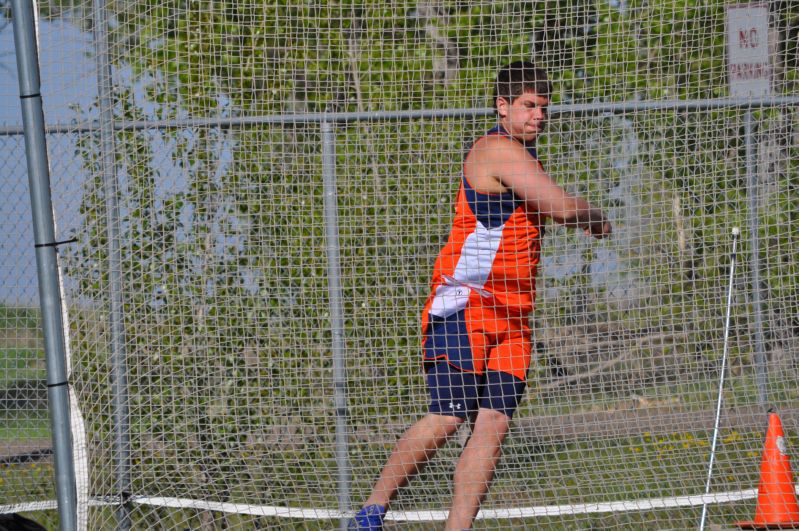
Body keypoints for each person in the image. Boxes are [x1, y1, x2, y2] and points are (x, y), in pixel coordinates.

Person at [350, 61, 612, 531]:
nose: (539, 116)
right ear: (503, 106)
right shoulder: (497, 149)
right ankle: (371, 513)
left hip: (512, 319)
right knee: (448, 419)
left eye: (544, 108)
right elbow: (560, 207)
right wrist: (595, 215)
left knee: (493, 425)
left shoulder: (528, 159)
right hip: (465, 308)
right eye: (529, 106)